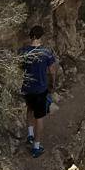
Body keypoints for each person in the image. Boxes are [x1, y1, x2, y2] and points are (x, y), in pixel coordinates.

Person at [17, 25, 58, 157]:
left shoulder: (24, 51)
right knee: (39, 117)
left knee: (30, 109)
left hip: (28, 87)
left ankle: (30, 135)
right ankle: (36, 147)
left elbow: (20, 67)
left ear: (31, 36)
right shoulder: (47, 52)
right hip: (41, 88)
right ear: (41, 37)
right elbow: (52, 71)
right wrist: (53, 83)